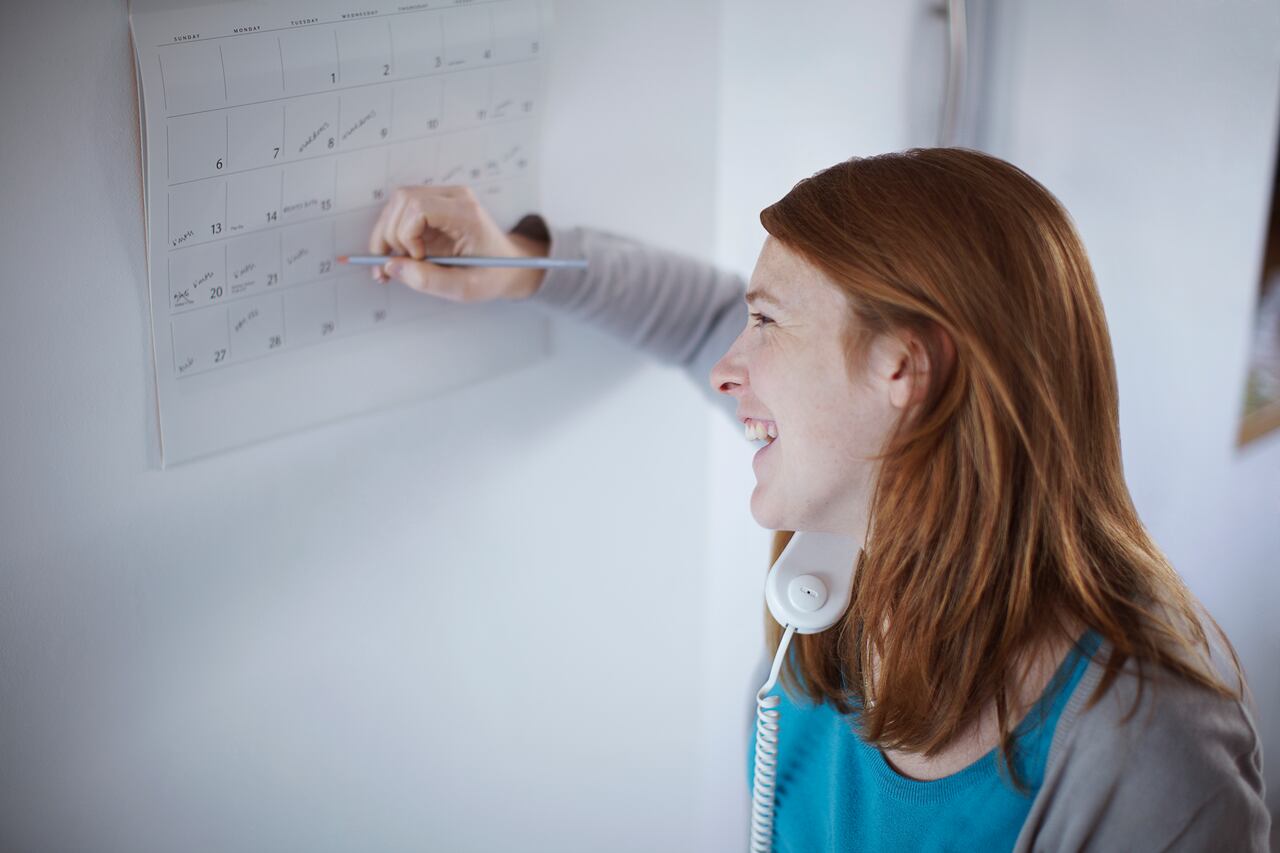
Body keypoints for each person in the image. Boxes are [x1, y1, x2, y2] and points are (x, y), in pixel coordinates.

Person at [367, 149, 1270, 850]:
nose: (727, 366)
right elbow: (691, 316)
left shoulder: (1151, 760)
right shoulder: (835, 584)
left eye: (765, 322)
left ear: (903, 371)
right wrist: (521, 263)